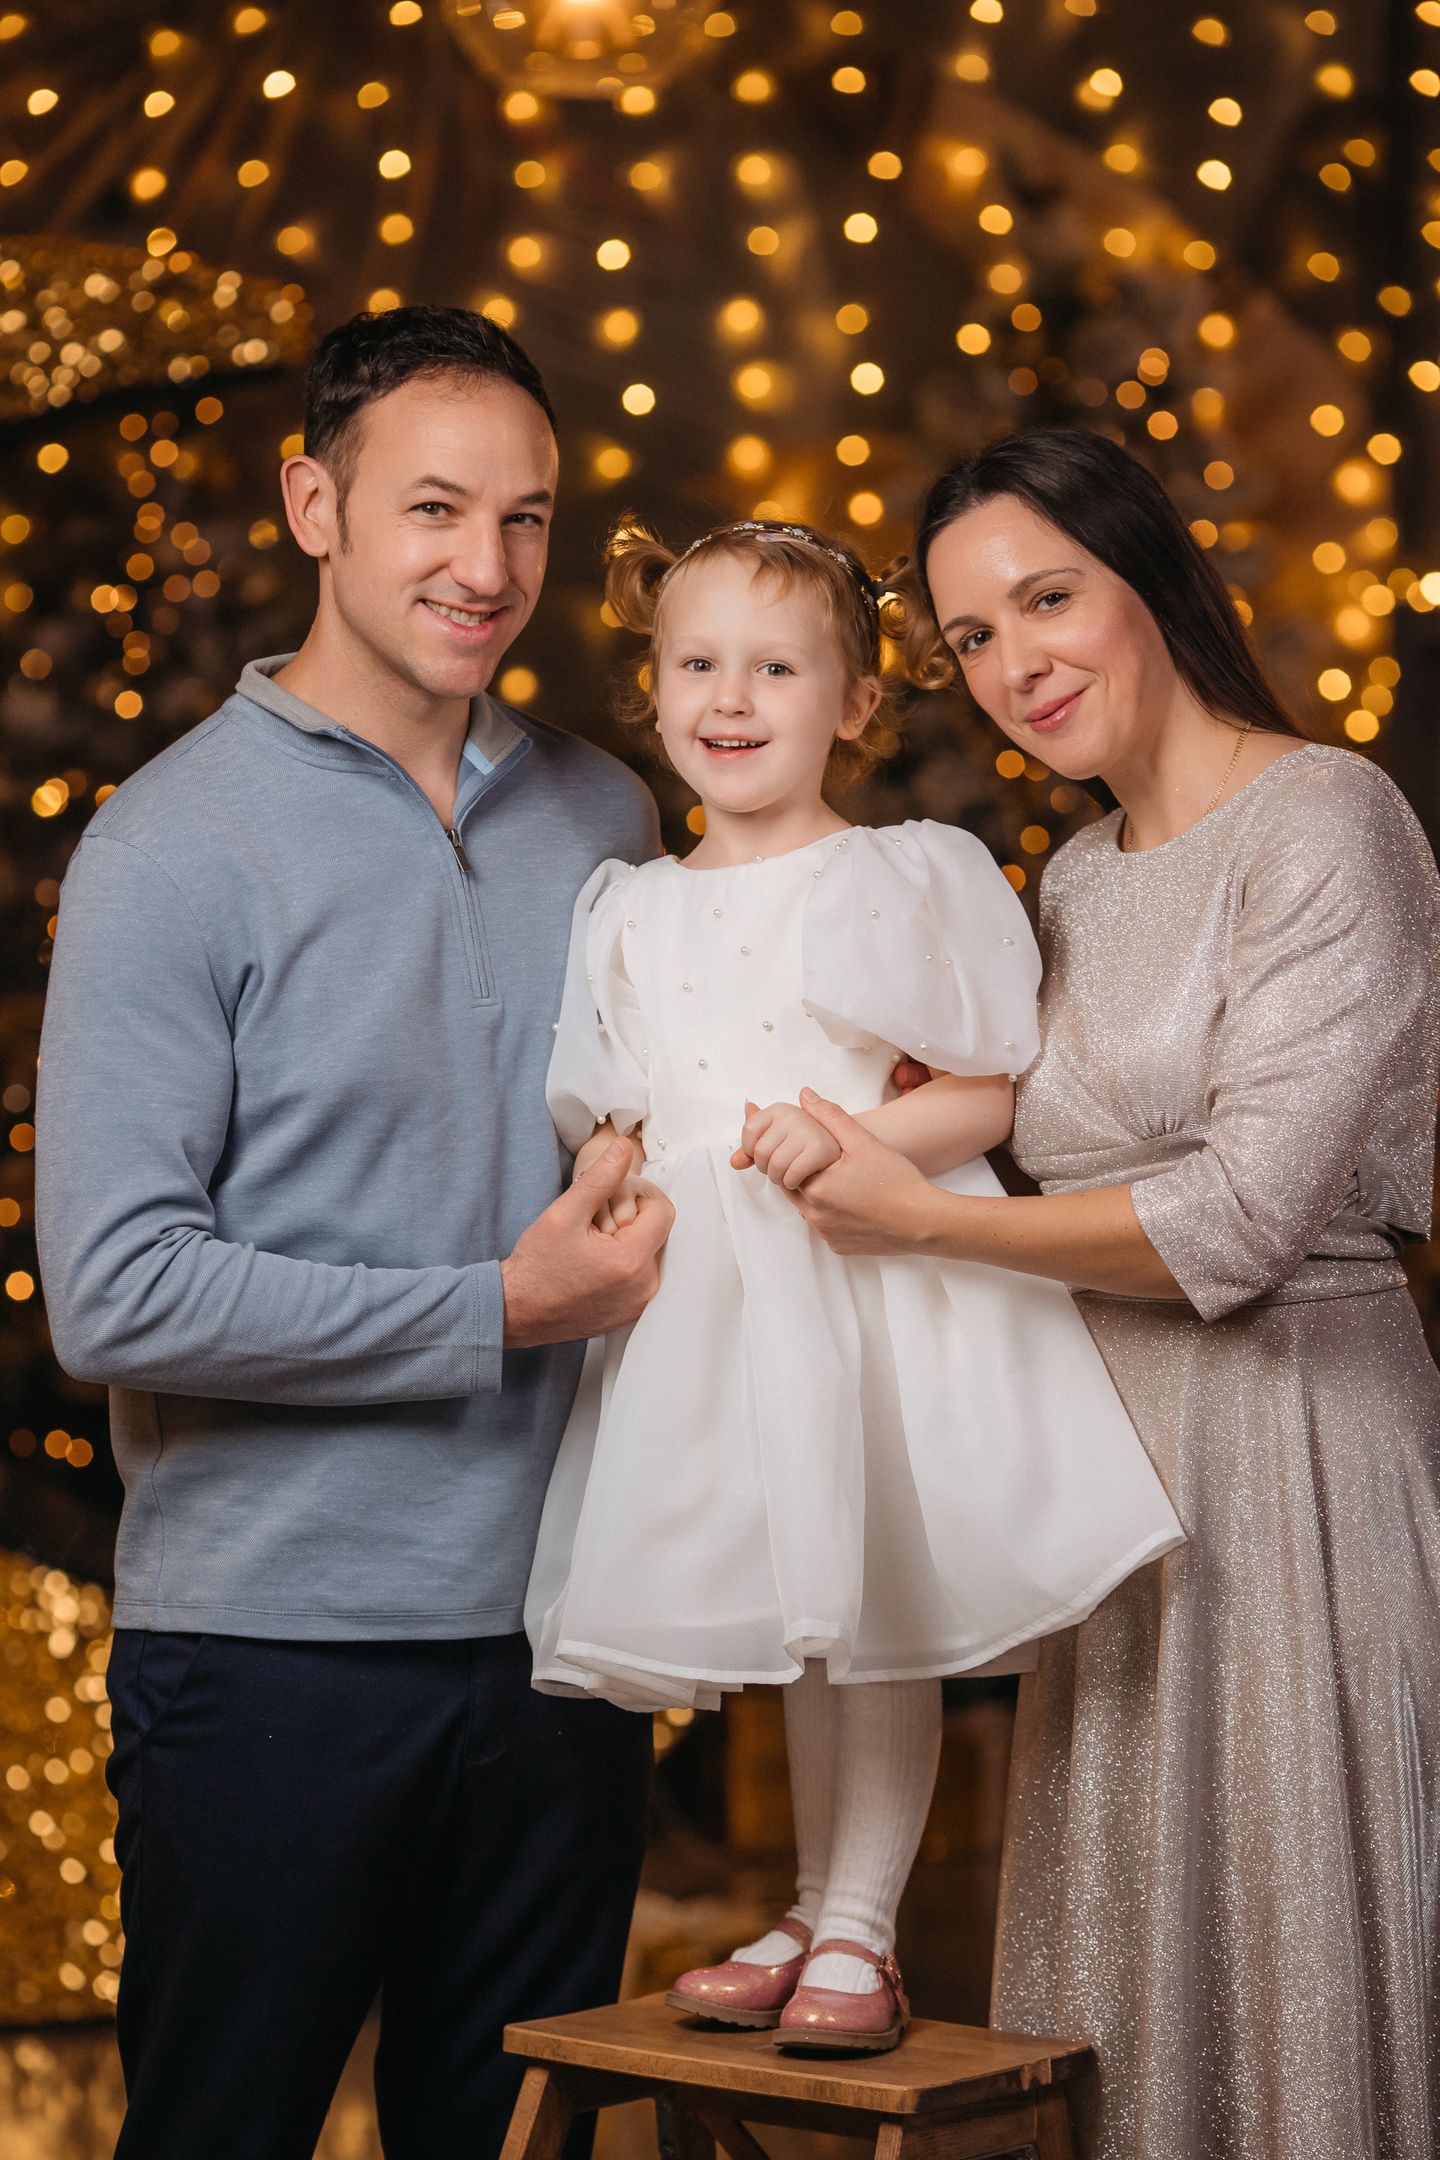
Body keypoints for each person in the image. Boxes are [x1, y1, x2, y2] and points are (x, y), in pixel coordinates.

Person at [35, 306, 673, 2160]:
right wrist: (498, 1307)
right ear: (316, 507)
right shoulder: (168, 844)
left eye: (528, 519)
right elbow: (114, 1291)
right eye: (435, 510)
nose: (489, 568)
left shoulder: (609, 815)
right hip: (269, 1656)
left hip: (567, 1640)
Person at [779, 430, 1440, 2156]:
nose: (1016, 664)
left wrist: (920, 1227)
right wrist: (908, 1116)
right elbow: (1047, 1164)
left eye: (1047, 599)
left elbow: (1241, 1217)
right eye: (971, 637)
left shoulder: (1328, 819)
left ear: (1148, 575)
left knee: (1300, 1966)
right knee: (1132, 1982)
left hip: (1300, 1461)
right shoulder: (1072, 879)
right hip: (1115, 1490)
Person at [522, 513, 1183, 2054]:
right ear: (653, 686)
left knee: (867, 1610)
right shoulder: (630, 907)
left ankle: (865, 1933)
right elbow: (625, 1106)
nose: (731, 697)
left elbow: (985, 1092)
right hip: (715, 1307)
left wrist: (857, 1145)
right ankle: (815, 1904)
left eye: (776, 667)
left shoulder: (897, 873)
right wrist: (608, 1166)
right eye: (698, 664)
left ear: (856, 703)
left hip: (866, 1280)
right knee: (798, 1618)